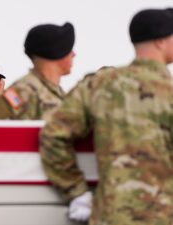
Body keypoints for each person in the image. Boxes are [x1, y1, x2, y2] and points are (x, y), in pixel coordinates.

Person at [39, 8, 173, 225]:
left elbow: (53, 135)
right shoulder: (168, 92)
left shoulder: (99, 84)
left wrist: (76, 191)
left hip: (108, 216)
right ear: (160, 41)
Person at [0, 23, 75, 120]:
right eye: (68, 49)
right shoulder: (23, 90)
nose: (73, 54)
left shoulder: (57, 91)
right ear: (55, 54)